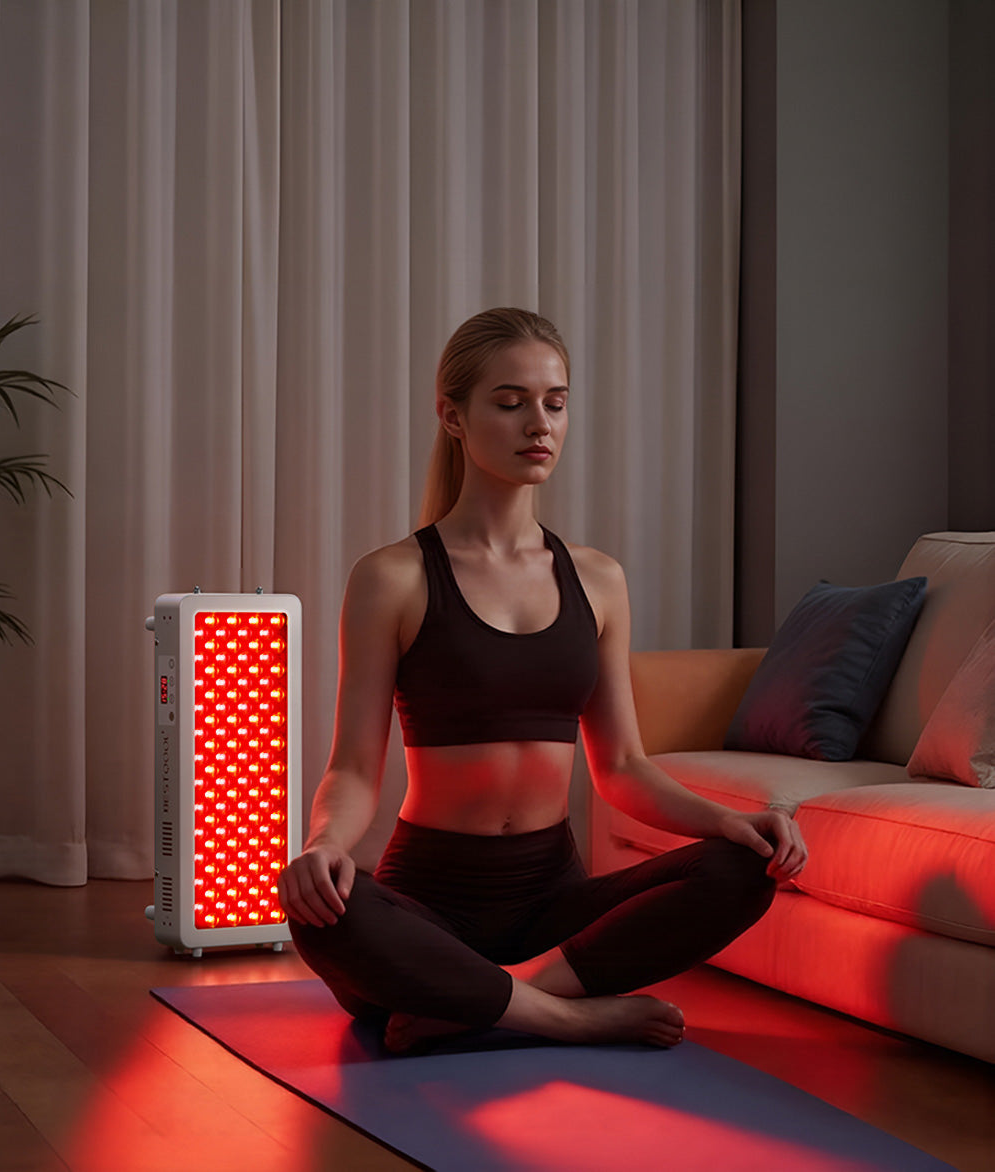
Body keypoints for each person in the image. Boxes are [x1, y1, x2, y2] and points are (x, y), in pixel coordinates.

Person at [278, 307, 807, 1054]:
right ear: (452, 416)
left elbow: (621, 768)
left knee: (741, 870)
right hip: (432, 901)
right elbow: (355, 767)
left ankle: (489, 1001)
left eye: (555, 403)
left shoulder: (598, 579)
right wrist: (324, 842)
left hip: (552, 902)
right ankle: (565, 1015)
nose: (539, 424)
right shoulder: (392, 578)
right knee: (319, 907)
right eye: (510, 401)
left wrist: (726, 821)